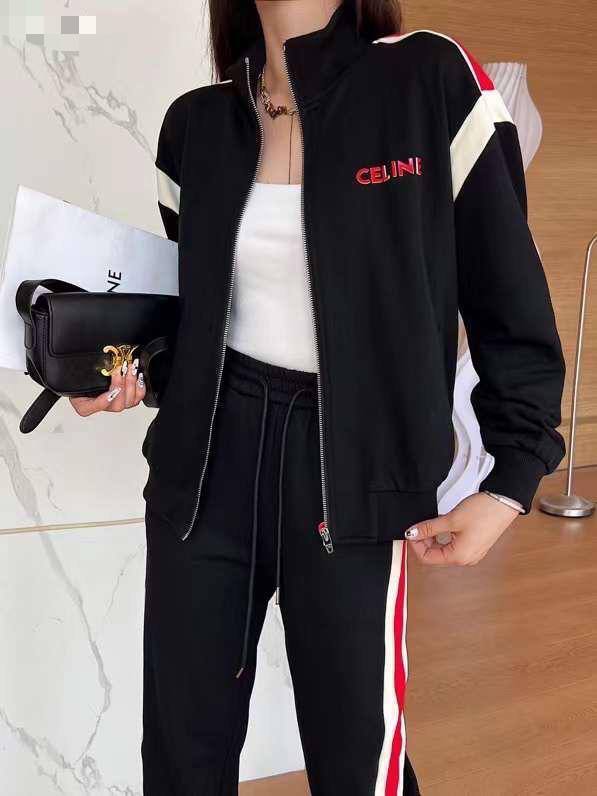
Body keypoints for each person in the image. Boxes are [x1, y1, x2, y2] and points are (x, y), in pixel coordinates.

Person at [70, 1, 566, 793]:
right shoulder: (195, 126)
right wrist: (122, 370)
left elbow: (508, 294)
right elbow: (195, 318)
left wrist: (510, 480)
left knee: (356, 761)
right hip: (205, 467)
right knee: (180, 755)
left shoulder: (428, 80)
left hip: (354, 469)